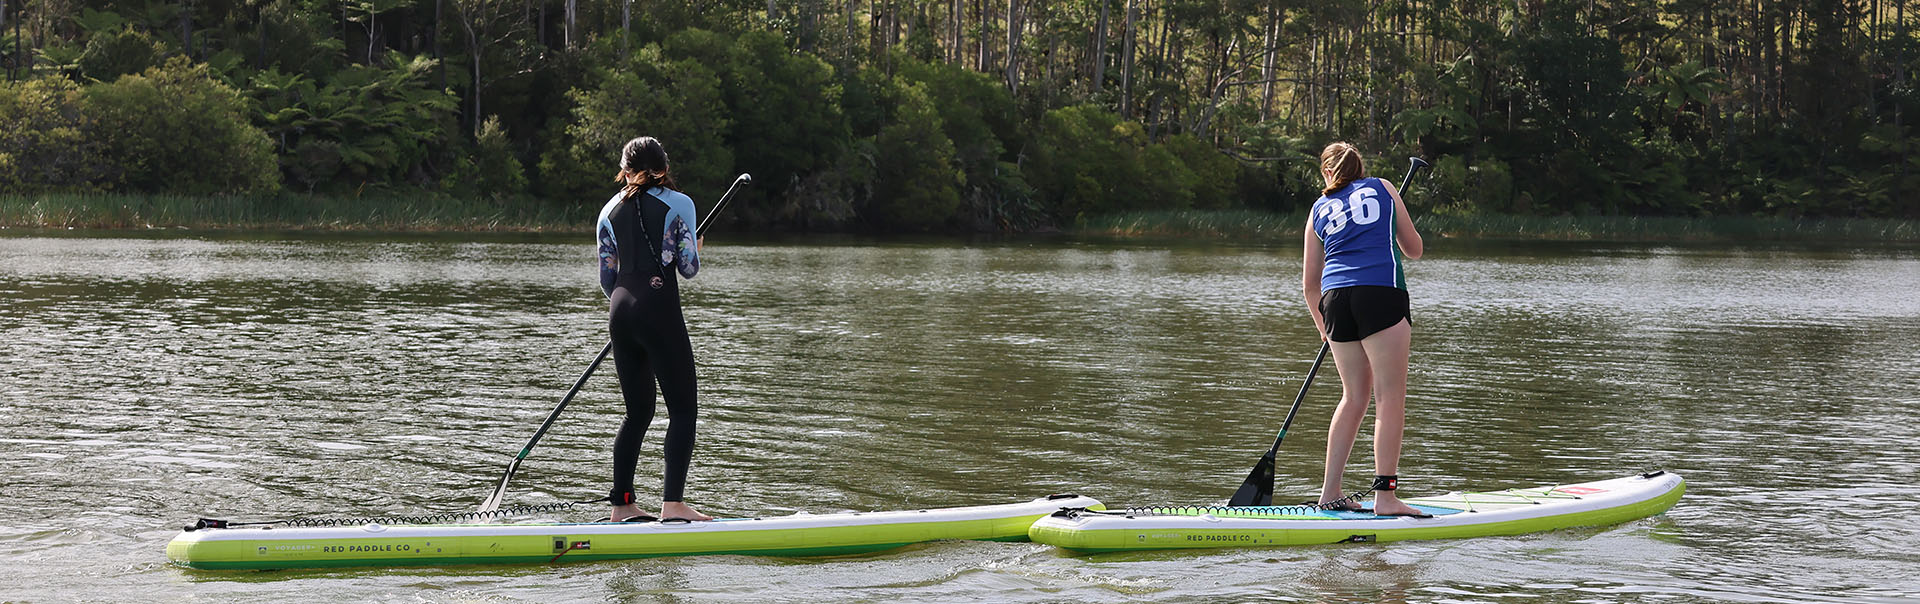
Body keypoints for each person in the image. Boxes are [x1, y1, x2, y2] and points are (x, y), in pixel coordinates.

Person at [1300, 142, 1428, 518]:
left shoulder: (1317, 209)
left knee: (1353, 397)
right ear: (1360, 168)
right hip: (1380, 293)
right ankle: (1385, 498)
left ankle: (1330, 492)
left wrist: (1323, 327)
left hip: (1335, 300)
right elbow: (1415, 249)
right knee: (1389, 398)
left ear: (1327, 173)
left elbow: (1310, 285)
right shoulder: (1384, 187)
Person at [596, 136, 712, 522]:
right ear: (663, 167)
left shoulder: (607, 210)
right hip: (658, 306)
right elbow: (688, 268)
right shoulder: (680, 204)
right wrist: (693, 245)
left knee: (637, 412)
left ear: (625, 169)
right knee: (683, 410)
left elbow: (607, 278)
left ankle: (622, 504)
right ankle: (673, 505)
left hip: (620, 311)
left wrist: (631, 302)